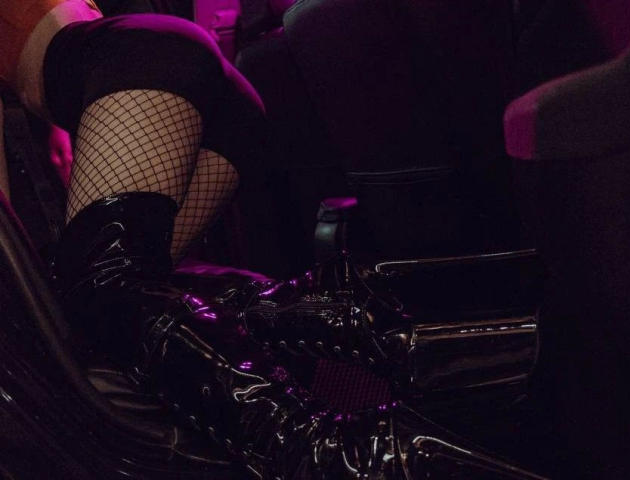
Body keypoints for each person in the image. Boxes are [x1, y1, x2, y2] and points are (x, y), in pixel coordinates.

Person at [0, 1, 546, 478]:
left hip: (140, 67)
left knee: (105, 287)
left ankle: (336, 455)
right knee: (129, 299)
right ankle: (462, 351)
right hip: (198, 86)